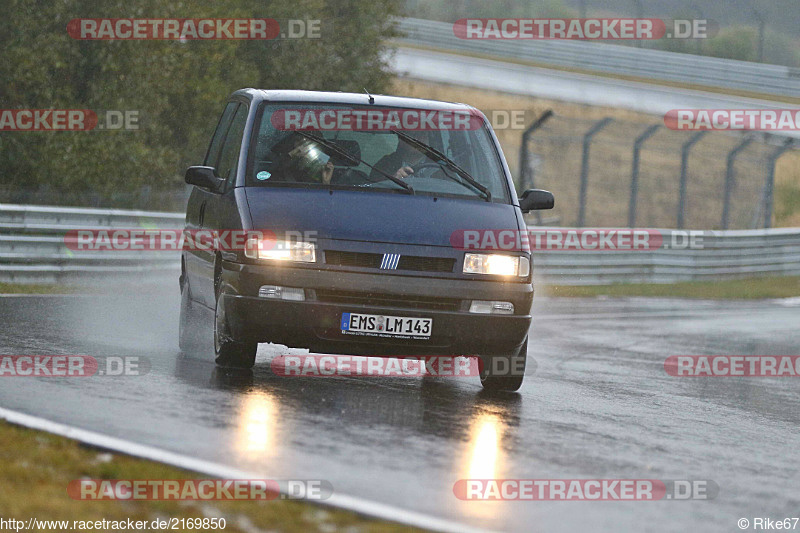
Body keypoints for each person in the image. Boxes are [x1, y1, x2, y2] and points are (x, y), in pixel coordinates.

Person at [369, 129, 434, 182]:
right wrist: (393, 180)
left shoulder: (438, 166)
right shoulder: (386, 163)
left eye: (424, 134)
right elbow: (374, 190)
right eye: (414, 134)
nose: (420, 139)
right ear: (402, 140)